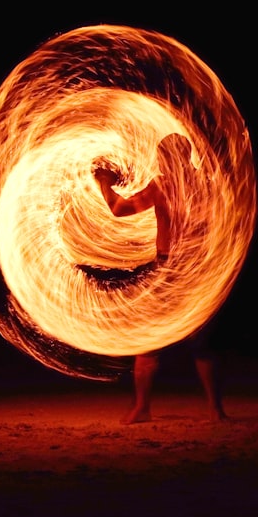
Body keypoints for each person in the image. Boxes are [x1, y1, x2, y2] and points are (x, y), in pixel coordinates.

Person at [92, 134, 227, 424]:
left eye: (163, 156)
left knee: (151, 339)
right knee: (200, 342)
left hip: (171, 270)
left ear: (172, 158)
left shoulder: (163, 184)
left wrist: (103, 182)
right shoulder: (206, 185)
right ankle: (215, 410)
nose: (159, 162)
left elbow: (120, 209)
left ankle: (143, 408)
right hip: (197, 268)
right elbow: (223, 224)